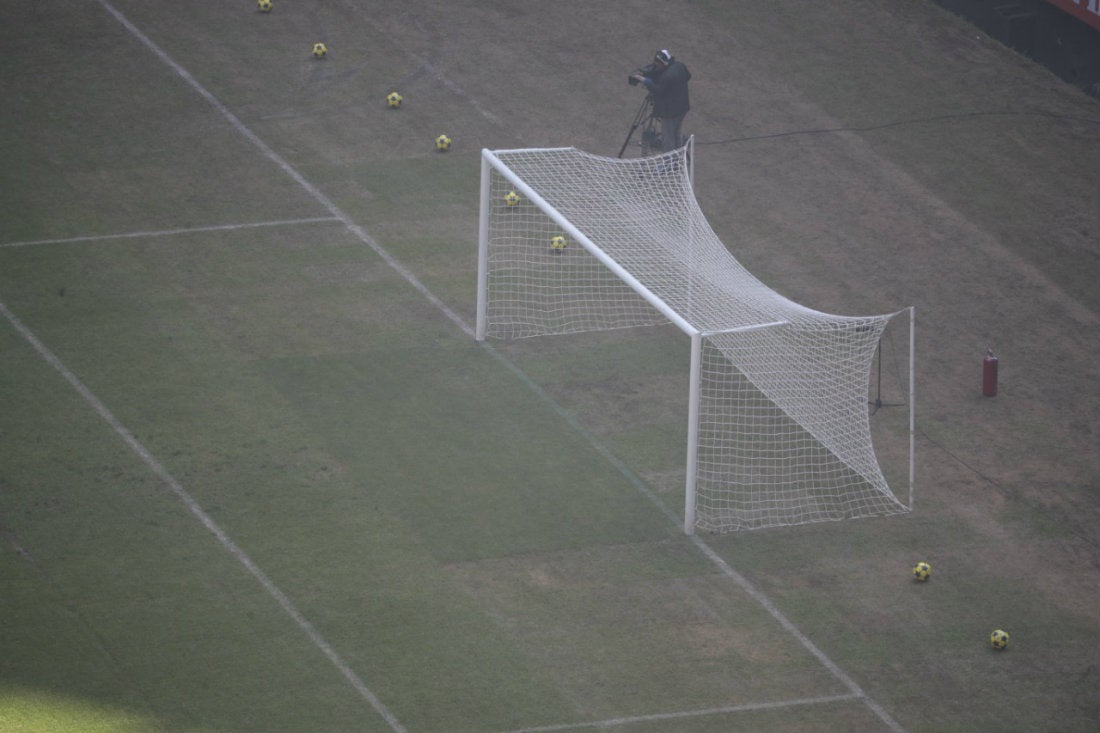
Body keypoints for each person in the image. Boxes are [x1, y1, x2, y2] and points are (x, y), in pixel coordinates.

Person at [630, 49, 691, 153]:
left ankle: (668, 164)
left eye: (658, 65)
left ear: (664, 63)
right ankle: (677, 160)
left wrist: (646, 80)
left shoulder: (667, 76)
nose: (656, 67)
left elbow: (658, 90)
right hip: (682, 108)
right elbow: (688, 76)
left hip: (670, 112)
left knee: (668, 138)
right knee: (676, 134)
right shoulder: (680, 66)